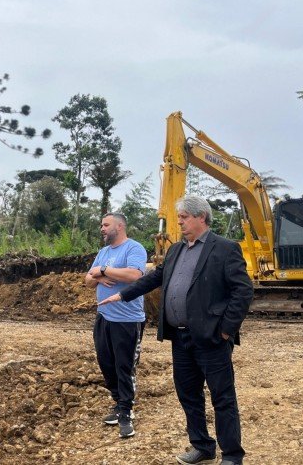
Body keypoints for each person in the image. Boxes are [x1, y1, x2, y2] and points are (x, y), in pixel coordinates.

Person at [100, 196, 252, 465]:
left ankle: (232, 455)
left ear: (201, 217)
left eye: (183, 217)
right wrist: (123, 296)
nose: (179, 222)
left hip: (212, 338)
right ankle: (202, 446)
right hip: (180, 337)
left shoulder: (225, 249)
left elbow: (242, 291)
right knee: (188, 394)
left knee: (222, 397)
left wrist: (226, 330)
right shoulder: (176, 250)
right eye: (179, 217)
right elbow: (154, 279)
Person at [85, 212, 147, 438]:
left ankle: (127, 412)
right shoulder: (103, 252)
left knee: (125, 366)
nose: (101, 228)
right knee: (106, 363)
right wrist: (99, 277)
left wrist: (102, 271)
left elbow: (134, 275)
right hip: (103, 316)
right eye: (101, 224)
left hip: (127, 319)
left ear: (119, 226)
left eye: (105, 224)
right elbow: (87, 281)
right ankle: (118, 402)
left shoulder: (134, 249)